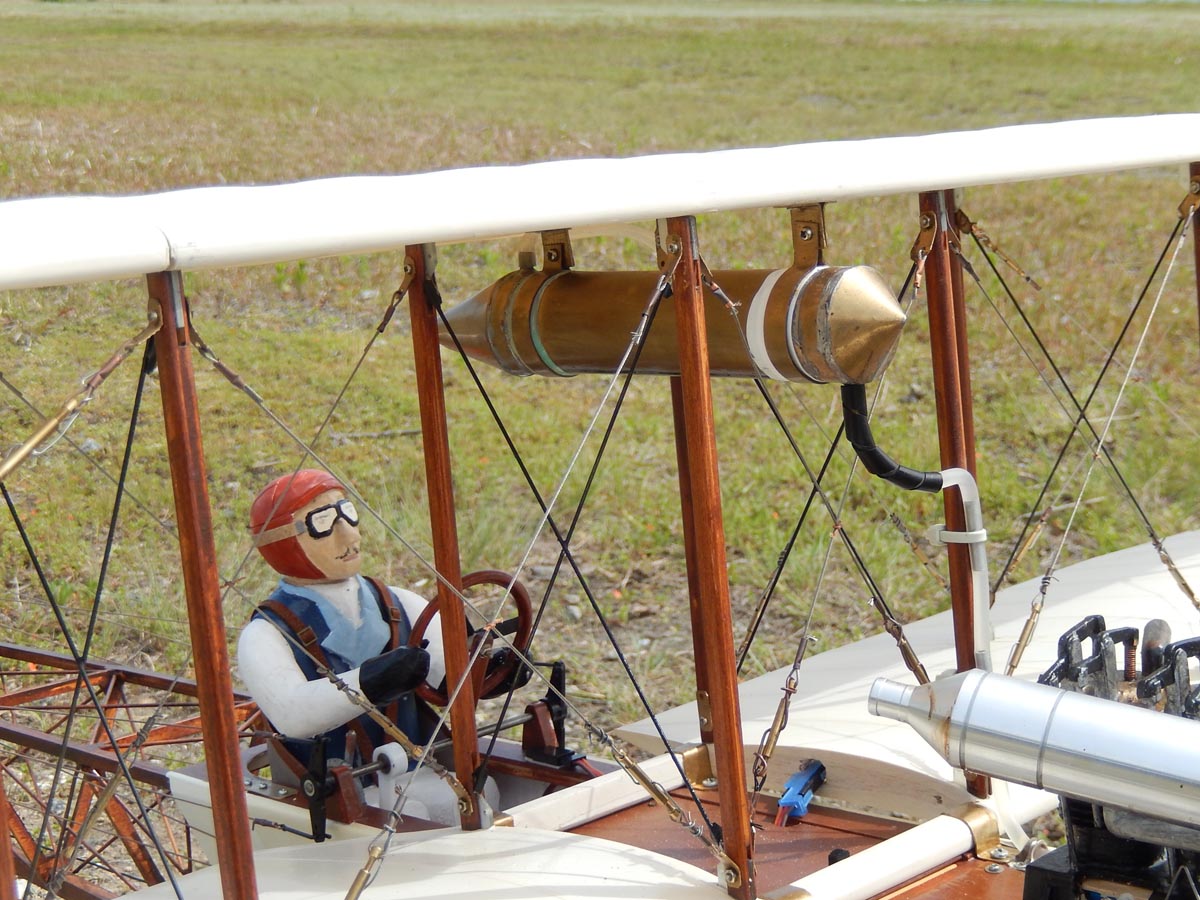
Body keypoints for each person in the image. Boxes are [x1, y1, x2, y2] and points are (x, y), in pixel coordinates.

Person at [238, 469, 445, 777]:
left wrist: (493, 669)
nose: (350, 536)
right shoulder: (266, 634)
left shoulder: (397, 602)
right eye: (322, 522)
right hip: (330, 791)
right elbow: (292, 714)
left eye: (348, 513)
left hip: (420, 771)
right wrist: (369, 682)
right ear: (282, 540)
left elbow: (448, 671)